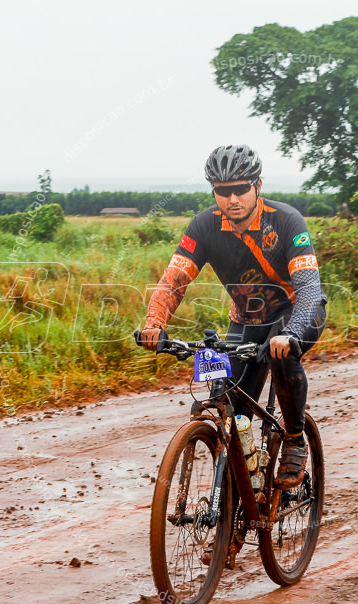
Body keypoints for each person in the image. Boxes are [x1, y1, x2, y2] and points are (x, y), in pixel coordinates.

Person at [140, 144, 327, 489]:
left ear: (258, 185)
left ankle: (295, 438)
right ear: (214, 192)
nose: (233, 199)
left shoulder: (286, 221)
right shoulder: (204, 226)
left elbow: (309, 289)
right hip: (245, 319)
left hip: (296, 312)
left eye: (241, 189)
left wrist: (292, 333)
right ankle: (238, 491)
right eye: (223, 192)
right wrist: (154, 324)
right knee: (226, 400)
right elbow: (173, 281)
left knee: (280, 354)